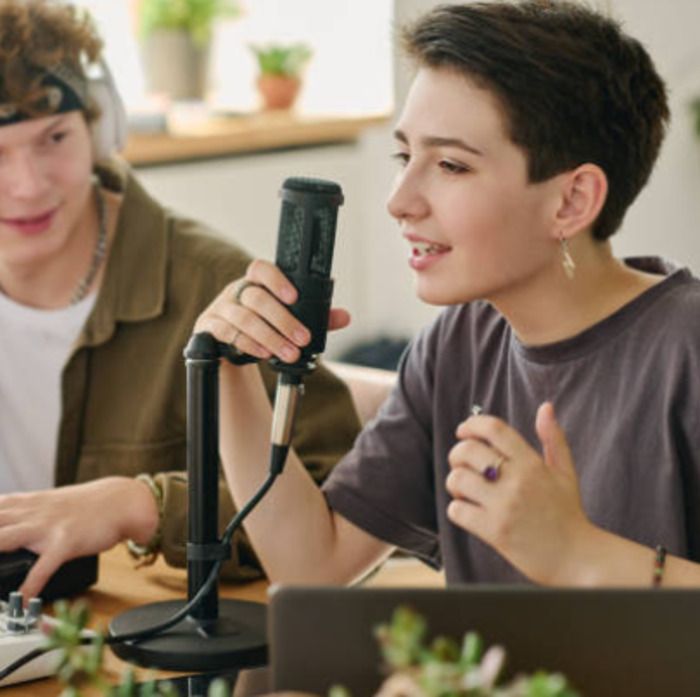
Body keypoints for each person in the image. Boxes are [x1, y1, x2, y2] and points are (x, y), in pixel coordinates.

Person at [196, 0, 700, 588]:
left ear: (572, 201)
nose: (399, 200)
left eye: (452, 165)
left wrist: (579, 554)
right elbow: (312, 563)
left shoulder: (684, 347)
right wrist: (230, 365)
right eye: (405, 156)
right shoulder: (457, 344)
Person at [0, 0, 361, 599]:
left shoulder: (212, 286)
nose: (28, 184)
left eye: (54, 138)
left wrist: (143, 502)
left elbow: (338, 503)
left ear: (102, 129)